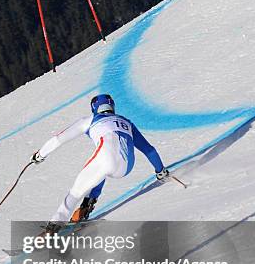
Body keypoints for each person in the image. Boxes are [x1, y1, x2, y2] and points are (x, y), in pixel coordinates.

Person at [31, 93, 169, 229]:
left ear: (94, 108)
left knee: (76, 191)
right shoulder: (127, 122)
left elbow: (59, 139)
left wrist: (40, 155)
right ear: (112, 107)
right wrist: (161, 171)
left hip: (105, 159)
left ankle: (54, 226)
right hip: (126, 167)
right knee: (101, 169)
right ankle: (86, 207)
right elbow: (149, 150)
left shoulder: (90, 119)